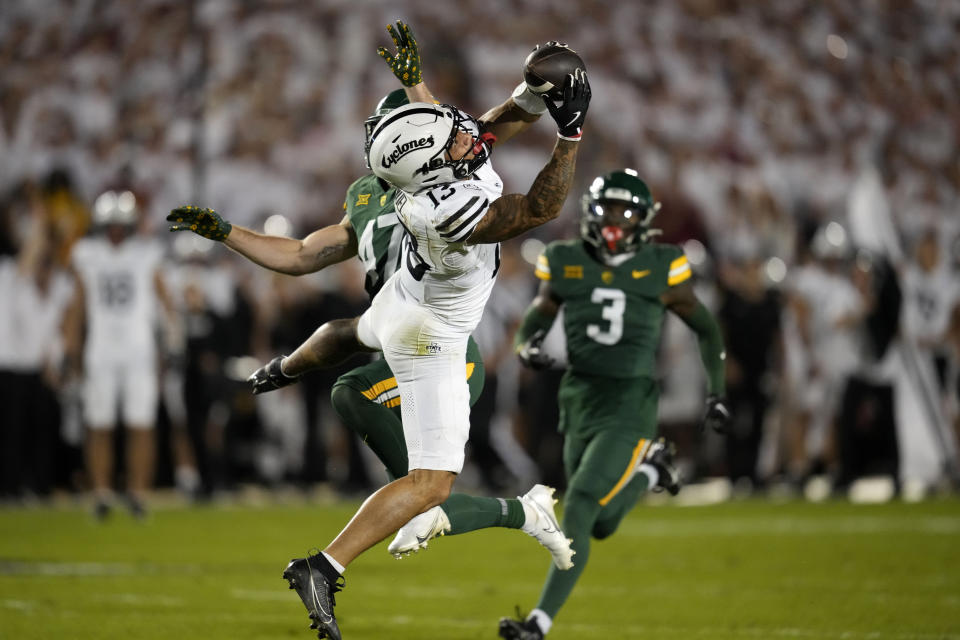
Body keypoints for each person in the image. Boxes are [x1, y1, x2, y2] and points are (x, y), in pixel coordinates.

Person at [168, 23, 590, 640]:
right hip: (435, 331)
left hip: (401, 300)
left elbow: (484, 125)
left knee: (351, 334)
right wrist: (572, 131)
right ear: (426, 165)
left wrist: (526, 93)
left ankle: (284, 369)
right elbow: (537, 209)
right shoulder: (445, 207)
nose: (462, 132)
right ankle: (326, 564)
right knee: (429, 485)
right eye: (445, 135)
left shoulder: (416, 179)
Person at [498, 169, 731, 640]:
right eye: (607, 208)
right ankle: (652, 472)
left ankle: (538, 624)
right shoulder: (565, 259)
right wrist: (526, 347)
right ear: (591, 212)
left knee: (579, 507)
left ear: (644, 219)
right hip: (578, 399)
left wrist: (717, 391)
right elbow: (538, 314)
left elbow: (706, 328)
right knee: (599, 525)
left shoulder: (663, 263)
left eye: (626, 211)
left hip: (630, 402)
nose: (615, 220)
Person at [64, 190, 177, 519]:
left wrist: (171, 342)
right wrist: (70, 347)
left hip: (138, 349)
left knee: (140, 424)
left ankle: (138, 492)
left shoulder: (146, 254)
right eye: (110, 224)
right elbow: (78, 304)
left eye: (120, 224)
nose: (115, 231)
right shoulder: (87, 253)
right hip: (101, 349)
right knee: (99, 423)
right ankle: (101, 492)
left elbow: (165, 302)